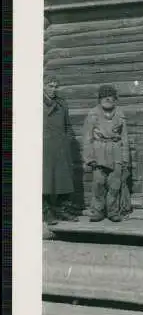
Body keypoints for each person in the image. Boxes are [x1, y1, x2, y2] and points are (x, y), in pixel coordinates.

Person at [82, 84, 132, 222]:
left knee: (115, 183)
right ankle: (98, 211)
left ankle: (112, 211)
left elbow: (125, 138)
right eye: (104, 97)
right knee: (98, 182)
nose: (107, 99)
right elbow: (87, 138)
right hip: (99, 151)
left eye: (110, 97)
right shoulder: (93, 114)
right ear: (99, 99)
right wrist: (89, 157)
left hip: (115, 150)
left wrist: (125, 159)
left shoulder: (120, 114)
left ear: (115, 99)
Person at [43, 74, 79, 225]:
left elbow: (68, 125)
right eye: (50, 86)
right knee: (46, 180)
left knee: (63, 179)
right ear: (43, 86)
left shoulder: (62, 104)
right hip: (44, 147)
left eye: (56, 86)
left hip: (61, 147)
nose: (53, 89)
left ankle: (62, 209)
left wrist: (68, 139)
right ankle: (46, 211)